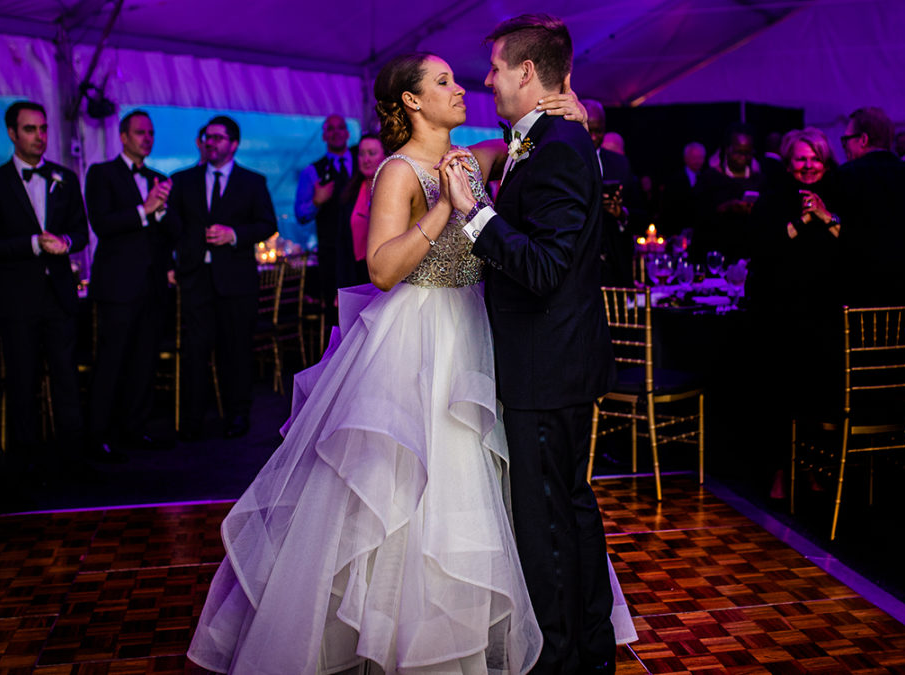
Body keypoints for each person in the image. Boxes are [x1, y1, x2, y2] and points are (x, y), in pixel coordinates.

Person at [186, 52, 633, 673]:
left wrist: (573, 111)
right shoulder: (396, 172)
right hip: (419, 336)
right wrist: (447, 209)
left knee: (492, 483)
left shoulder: (477, 157)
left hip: (478, 331)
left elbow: (526, 142)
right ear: (413, 102)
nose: (462, 88)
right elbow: (381, 269)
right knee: (414, 485)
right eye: (444, 81)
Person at [449, 14, 622, 673]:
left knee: (547, 518)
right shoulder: (554, 140)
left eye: (495, 66)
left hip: (547, 365)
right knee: (567, 508)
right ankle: (587, 649)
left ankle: (559, 657)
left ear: (526, 71)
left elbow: (547, 267)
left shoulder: (556, 147)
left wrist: (475, 213)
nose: (486, 78)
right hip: (554, 361)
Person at [0, 101, 90, 470]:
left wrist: (67, 243)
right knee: (21, 381)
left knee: (66, 379)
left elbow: (81, 232)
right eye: (30, 129)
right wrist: (32, 243)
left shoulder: (64, 178)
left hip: (59, 295)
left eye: (43, 129)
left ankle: (72, 459)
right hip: (16, 299)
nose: (39, 137)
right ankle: (26, 464)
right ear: (12, 133)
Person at [746, 128, 843, 500]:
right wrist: (804, 221)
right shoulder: (773, 198)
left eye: (815, 157)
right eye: (801, 158)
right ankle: (781, 474)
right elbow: (765, 248)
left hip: (825, 314)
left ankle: (815, 471)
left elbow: (850, 244)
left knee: (818, 397)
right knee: (782, 398)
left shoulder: (839, 194)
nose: (808, 165)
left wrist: (824, 215)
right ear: (789, 164)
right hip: (782, 314)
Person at [168, 115, 277, 441]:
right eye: (207, 136)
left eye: (218, 137)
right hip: (196, 279)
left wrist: (233, 235)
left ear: (233, 144)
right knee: (195, 352)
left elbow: (266, 224)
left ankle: (237, 416)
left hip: (236, 281)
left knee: (236, 351)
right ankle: (192, 421)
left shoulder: (252, 182)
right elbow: (172, 227)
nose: (211, 142)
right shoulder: (182, 180)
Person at [83, 110, 173, 458]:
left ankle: (135, 429)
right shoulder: (102, 174)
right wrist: (144, 209)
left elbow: (170, 234)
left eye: (150, 133)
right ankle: (98, 435)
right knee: (110, 361)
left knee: (144, 362)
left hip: (152, 287)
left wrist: (162, 212)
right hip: (117, 288)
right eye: (140, 132)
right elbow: (102, 224)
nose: (146, 138)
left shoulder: (158, 178)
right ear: (123, 136)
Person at [835, 107, 905, 307]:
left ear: (863, 139)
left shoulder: (843, 177)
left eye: (846, 140)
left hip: (857, 294)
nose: (845, 147)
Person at [580, 99, 646, 286]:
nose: (593, 137)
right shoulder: (562, 162)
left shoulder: (620, 164)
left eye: (598, 131)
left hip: (615, 266)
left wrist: (621, 214)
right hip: (579, 268)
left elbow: (641, 215)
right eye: (588, 130)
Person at [295, 114, 354, 322]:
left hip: (361, 252)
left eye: (340, 128)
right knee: (335, 314)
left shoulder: (362, 162)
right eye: (330, 129)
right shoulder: (312, 171)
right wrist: (317, 202)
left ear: (347, 133)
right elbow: (301, 215)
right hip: (331, 253)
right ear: (324, 136)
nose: (336, 133)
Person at [691, 124, 765, 263]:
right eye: (738, 152)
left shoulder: (760, 180)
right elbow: (695, 218)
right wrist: (726, 208)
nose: (743, 157)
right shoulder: (709, 179)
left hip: (750, 255)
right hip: (716, 257)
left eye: (747, 152)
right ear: (727, 150)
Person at [335, 132, 385, 288]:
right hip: (356, 273)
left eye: (372, 153)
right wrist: (341, 286)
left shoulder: (393, 191)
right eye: (362, 154)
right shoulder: (349, 193)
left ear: (385, 156)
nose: (366, 159)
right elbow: (342, 245)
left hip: (385, 273)